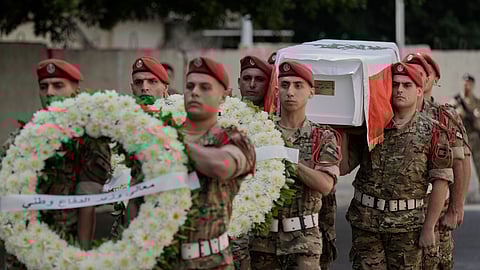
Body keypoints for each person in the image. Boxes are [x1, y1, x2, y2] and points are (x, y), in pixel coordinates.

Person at [0, 59, 112, 268]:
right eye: (44, 87)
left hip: (62, 248)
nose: (49, 92)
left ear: (75, 89)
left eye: (58, 85)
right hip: (21, 248)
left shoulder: (89, 139)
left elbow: (86, 207)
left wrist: (82, 255)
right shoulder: (21, 138)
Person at [341, 62, 453, 269]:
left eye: (407, 85)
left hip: (407, 226)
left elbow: (441, 181)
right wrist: (344, 130)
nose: (399, 90)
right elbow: (343, 168)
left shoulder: (434, 131)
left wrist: (429, 227)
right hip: (366, 223)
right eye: (395, 85)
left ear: (420, 91)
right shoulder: (372, 126)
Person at [250, 61, 340, 270]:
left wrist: (287, 159)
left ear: (311, 92)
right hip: (263, 241)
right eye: (285, 85)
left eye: (298, 86)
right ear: (277, 90)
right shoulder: (261, 132)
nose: (290, 92)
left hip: (304, 241)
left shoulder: (323, 136)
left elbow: (326, 185)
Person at [176, 56, 256, 269]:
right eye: (190, 86)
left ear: (223, 97)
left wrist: (174, 143)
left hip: (211, 260)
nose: (194, 92)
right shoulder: (161, 136)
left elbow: (222, 166)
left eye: (205, 87)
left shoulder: (233, 139)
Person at [405, 53, 469, 269]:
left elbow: (460, 162)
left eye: (424, 73)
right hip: (401, 210)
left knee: (436, 260)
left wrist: (455, 207)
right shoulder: (393, 111)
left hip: (436, 206)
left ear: (434, 79)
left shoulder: (445, 116)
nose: (418, 76)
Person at [452, 73, 480, 198]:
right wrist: (456, 113)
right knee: (459, 167)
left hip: (474, 138)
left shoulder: (477, 102)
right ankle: (457, 195)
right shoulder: (456, 101)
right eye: (464, 83)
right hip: (460, 139)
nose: (466, 86)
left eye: (469, 83)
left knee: (478, 164)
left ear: (472, 85)